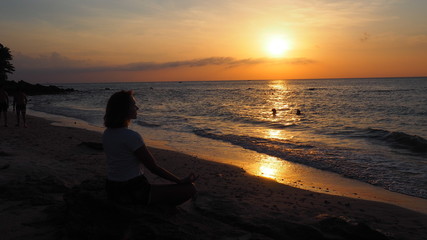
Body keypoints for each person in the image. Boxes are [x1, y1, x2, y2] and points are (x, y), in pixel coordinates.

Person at [103, 90, 197, 207]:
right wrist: (179, 181)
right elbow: (153, 167)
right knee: (190, 189)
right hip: (133, 191)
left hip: (112, 188)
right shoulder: (131, 136)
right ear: (124, 109)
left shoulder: (107, 134)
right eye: (133, 105)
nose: (137, 108)